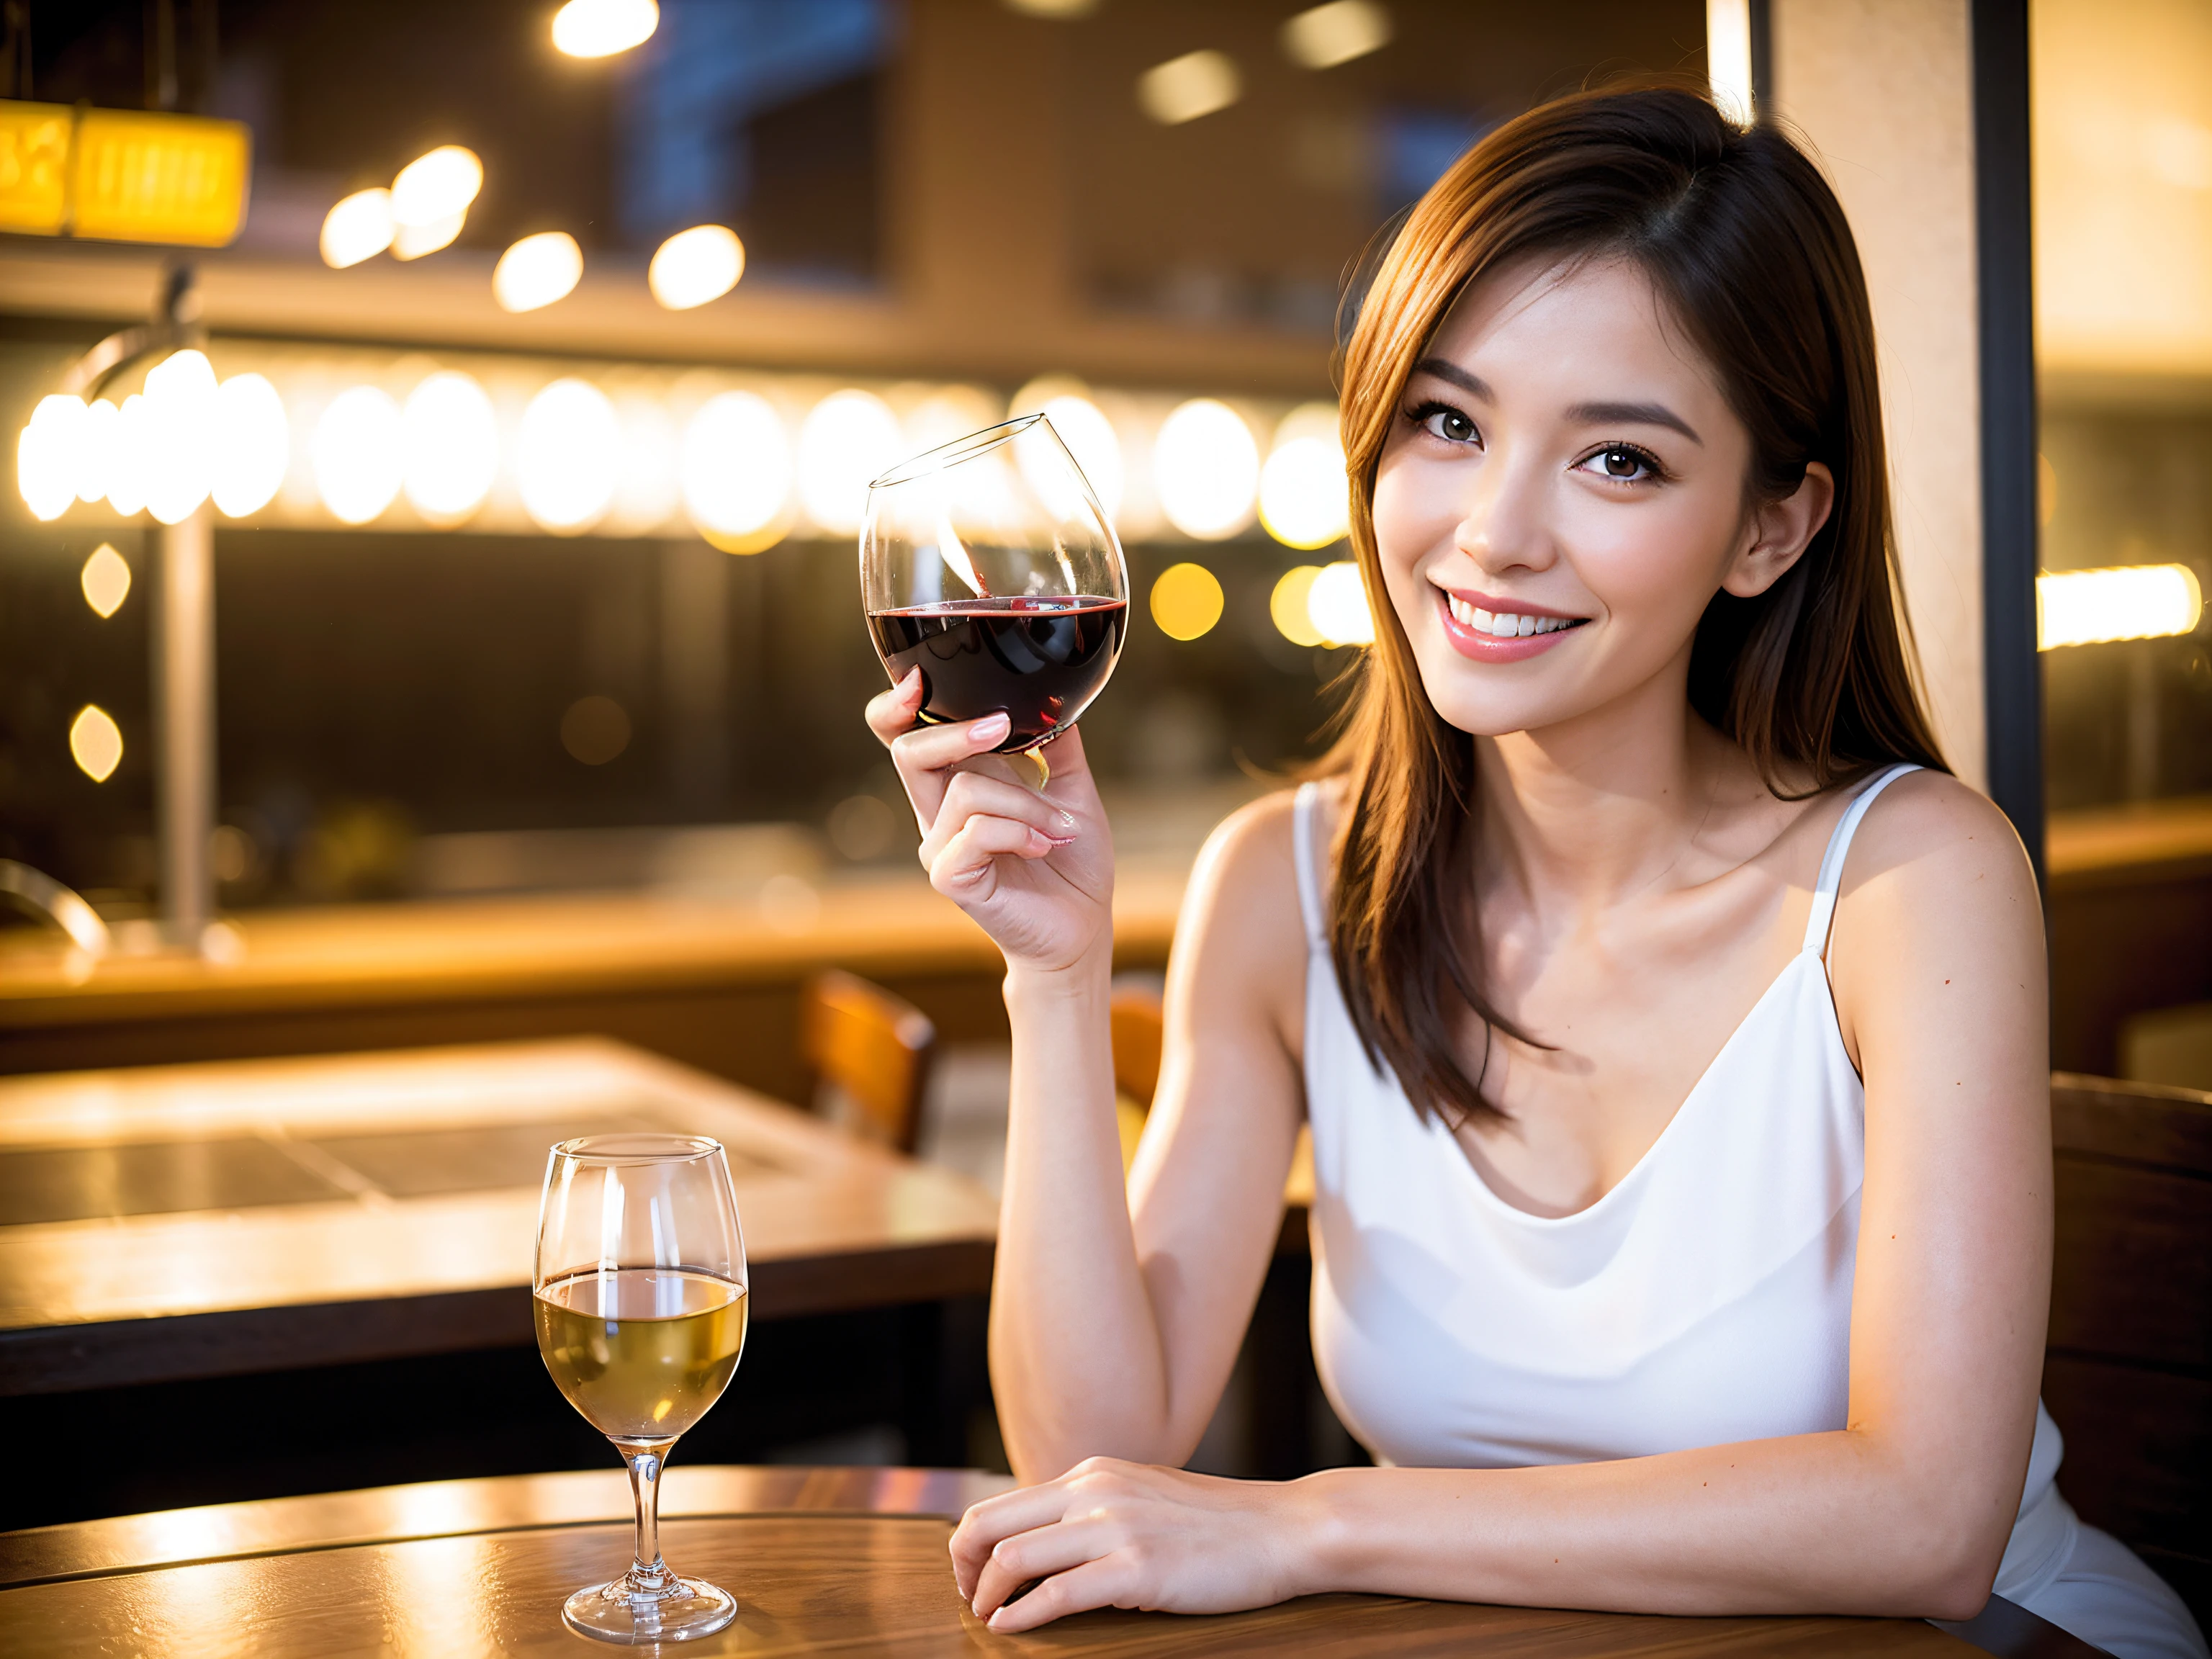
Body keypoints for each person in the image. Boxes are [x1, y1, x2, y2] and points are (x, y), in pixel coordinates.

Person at [864, 84, 2208, 1659]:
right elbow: (1098, 1452)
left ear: (1771, 528)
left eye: (1619, 462)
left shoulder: (1913, 884)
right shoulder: (1282, 885)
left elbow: (1925, 1524)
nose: (1494, 534)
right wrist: (1055, 974)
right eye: (1449, 422)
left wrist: (1313, 1520)